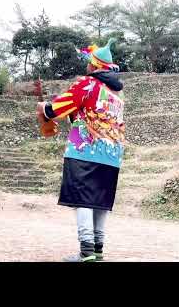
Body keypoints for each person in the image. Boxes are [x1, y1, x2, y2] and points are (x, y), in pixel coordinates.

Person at [36, 38, 125, 262]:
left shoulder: (87, 83)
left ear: (94, 66)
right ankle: (97, 250)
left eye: (89, 63)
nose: (87, 67)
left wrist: (43, 109)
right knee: (99, 202)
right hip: (112, 154)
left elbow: (58, 107)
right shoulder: (117, 95)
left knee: (83, 200)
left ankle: (85, 252)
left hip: (85, 150)